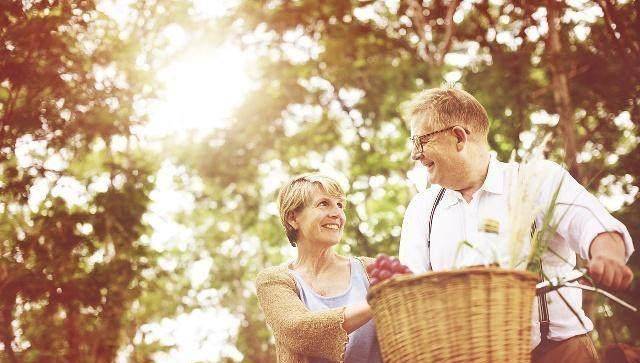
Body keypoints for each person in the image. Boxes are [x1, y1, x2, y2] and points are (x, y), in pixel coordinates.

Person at [399, 87, 635, 363]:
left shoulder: (536, 179)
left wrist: (608, 255)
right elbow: (409, 290)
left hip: (558, 354)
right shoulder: (421, 210)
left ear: (459, 137)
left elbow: (592, 225)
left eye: (421, 141)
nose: (415, 155)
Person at [255, 173, 382, 363]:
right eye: (324, 204)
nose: (337, 214)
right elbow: (297, 330)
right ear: (293, 218)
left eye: (340, 205)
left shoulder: (371, 270)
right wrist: (377, 303)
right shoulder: (273, 280)